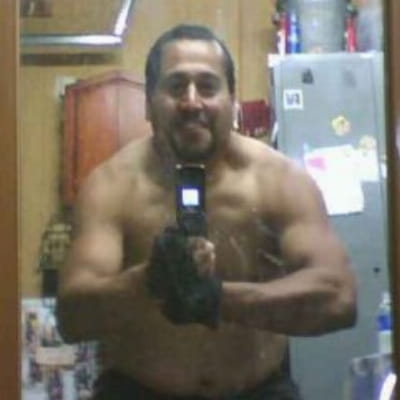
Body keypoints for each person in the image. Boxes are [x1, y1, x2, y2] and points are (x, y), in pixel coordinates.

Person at [56, 24, 357, 400]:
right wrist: (148, 283)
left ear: (232, 101)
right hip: (137, 390)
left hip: (257, 390)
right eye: (176, 86)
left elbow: (339, 297)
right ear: (148, 103)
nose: (192, 102)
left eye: (208, 87)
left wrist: (217, 299)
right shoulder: (112, 186)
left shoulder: (278, 180)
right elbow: (72, 317)